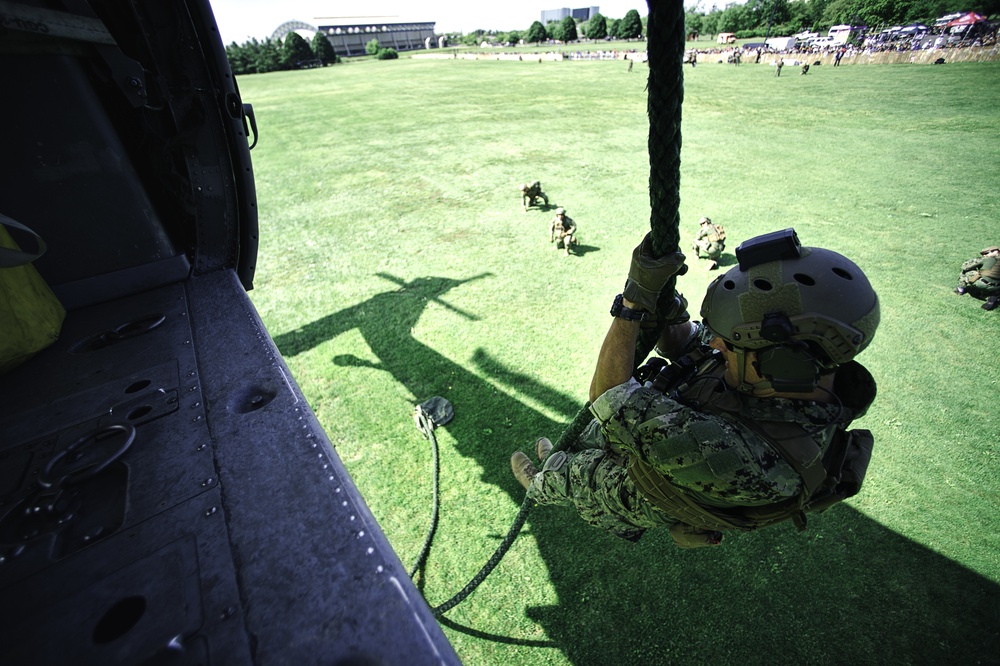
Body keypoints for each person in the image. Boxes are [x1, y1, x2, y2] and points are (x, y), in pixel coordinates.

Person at [511, 229, 880, 548]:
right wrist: (668, 311)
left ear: (782, 364)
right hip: (674, 443)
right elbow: (693, 345)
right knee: (592, 438)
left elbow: (610, 397)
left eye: (727, 341)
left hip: (643, 488)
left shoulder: (737, 453)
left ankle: (542, 484)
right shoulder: (795, 376)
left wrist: (633, 303)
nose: (715, 345)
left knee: (580, 476)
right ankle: (556, 459)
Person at [955, 245, 1000, 310]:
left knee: (965, 271)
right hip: (997, 286)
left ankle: (960, 289)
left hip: (982, 283)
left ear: (996, 252)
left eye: (986, 253)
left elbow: (965, 267)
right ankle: (992, 296)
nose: (984, 255)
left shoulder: (986, 259)